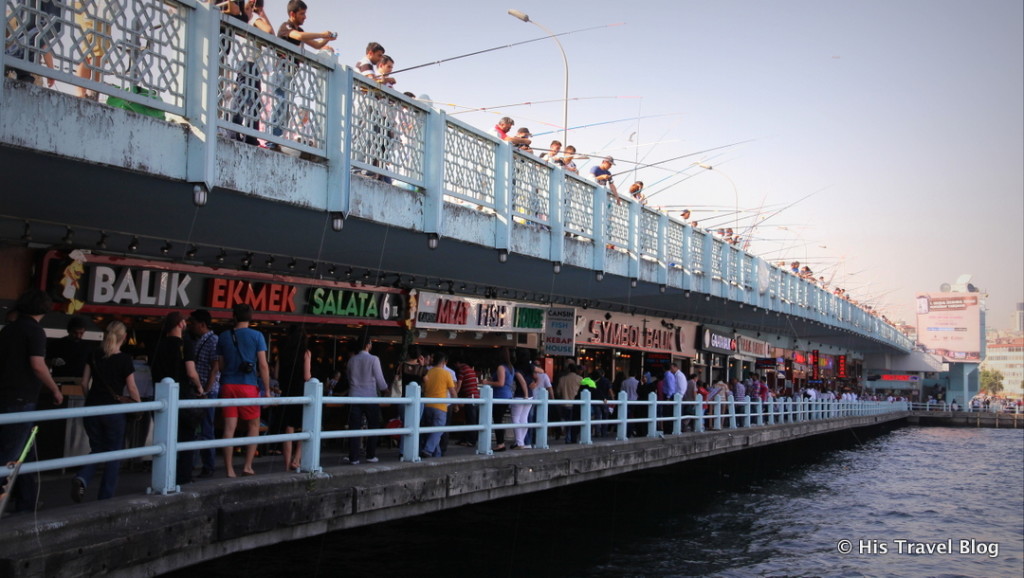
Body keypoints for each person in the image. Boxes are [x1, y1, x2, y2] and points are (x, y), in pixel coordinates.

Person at [0, 290, 63, 514]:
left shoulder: (9, 330)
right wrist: (55, 388)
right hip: (23, 397)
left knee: (23, 452)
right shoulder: (35, 332)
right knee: (10, 454)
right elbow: (37, 365)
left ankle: (27, 503)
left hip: (6, 395)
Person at [70, 321, 140, 502]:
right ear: (124, 338)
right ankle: (105, 497)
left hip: (92, 408)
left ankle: (83, 477)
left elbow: (84, 383)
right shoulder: (124, 359)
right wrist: (139, 405)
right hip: (114, 412)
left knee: (97, 449)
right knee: (114, 454)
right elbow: (132, 388)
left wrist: (90, 399)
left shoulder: (93, 355)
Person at [267, 0, 336, 151]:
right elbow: (298, 36)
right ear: (292, 14)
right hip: (281, 70)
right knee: (280, 102)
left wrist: (326, 40)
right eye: (302, 14)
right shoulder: (286, 27)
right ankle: (272, 139)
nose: (305, 17)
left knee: (285, 105)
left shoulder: (299, 30)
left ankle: (276, 138)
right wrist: (321, 34)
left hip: (290, 72)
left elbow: (316, 45)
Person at [213, 304, 270, 478]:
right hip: (248, 385)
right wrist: (267, 390)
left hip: (228, 385)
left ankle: (229, 469)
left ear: (234, 316)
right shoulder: (257, 336)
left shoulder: (223, 336)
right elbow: (262, 365)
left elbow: (220, 365)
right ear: (250, 317)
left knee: (229, 428)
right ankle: (247, 466)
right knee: (253, 426)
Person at [150, 312, 204, 485]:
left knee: (163, 438)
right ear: (180, 324)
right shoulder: (185, 344)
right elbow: (191, 371)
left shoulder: (157, 344)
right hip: (182, 394)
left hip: (160, 396)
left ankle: (163, 476)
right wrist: (199, 387)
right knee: (185, 437)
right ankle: (182, 476)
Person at [345, 336, 388, 464]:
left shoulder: (352, 360)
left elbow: (348, 376)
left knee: (354, 427)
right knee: (373, 426)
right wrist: (386, 390)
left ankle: (354, 457)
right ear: (368, 345)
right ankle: (370, 455)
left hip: (354, 396)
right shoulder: (374, 359)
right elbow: (380, 380)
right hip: (370, 396)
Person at [188, 309, 219, 478]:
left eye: (192, 323)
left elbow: (215, 367)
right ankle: (201, 464)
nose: (190, 326)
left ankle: (208, 465)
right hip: (204, 390)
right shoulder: (204, 340)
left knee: (206, 428)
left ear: (201, 324)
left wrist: (206, 390)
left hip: (207, 391)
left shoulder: (212, 340)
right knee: (201, 428)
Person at [277, 325, 310, 471]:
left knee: (288, 428)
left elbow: (276, 374)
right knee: (304, 428)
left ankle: (286, 464)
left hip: (286, 391)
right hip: (301, 392)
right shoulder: (306, 353)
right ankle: (296, 460)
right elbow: (306, 376)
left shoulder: (282, 353)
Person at [74, 0, 114, 99]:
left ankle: (87, 92)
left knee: (94, 50)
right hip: (94, 8)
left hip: (100, 9)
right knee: (97, 49)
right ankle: (90, 91)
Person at [419, 352, 456, 458]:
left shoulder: (427, 372)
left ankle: (437, 454)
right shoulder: (446, 374)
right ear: (444, 362)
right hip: (440, 406)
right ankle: (428, 450)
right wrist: (457, 403)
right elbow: (452, 392)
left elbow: (423, 387)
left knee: (431, 431)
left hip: (427, 405)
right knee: (438, 431)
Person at [480, 347, 515, 452]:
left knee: (497, 420)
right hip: (507, 395)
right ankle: (501, 442)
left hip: (500, 396)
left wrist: (487, 382)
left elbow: (500, 383)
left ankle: (500, 443)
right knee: (499, 419)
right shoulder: (510, 368)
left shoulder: (501, 367)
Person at [48, 316, 92, 382]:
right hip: (59, 380)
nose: (78, 336)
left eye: (81, 333)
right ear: (69, 331)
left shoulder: (87, 346)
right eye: (75, 333)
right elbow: (44, 361)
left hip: (79, 381)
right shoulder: (56, 344)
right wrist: (53, 361)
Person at [453, 357, 480, 446]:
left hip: (470, 397)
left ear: (458, 363)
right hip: (475, 396)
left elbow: (459, 385)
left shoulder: (462, 370)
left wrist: (453, 395)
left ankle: (471, 441)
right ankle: (466, 439)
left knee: (470, 419)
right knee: (471, 419)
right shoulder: (471, 370)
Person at [508, 355, 532, 449]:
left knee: (515, 418)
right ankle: (520, 441)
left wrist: (525, 395)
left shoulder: (517, 371)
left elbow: (522, 383)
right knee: (524, 418)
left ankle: (519, 442)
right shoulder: (530, 369)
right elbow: (541, 373)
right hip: (530, 396)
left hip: (520, 396)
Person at [555, 363, 582, 442]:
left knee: (567, 421)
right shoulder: (580, 379)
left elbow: (558, 392)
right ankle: (573, 437)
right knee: (575, 422)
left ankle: (567, 437)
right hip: (575, 404)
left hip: (564, 403)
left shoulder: (562, 379)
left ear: (568, 369)